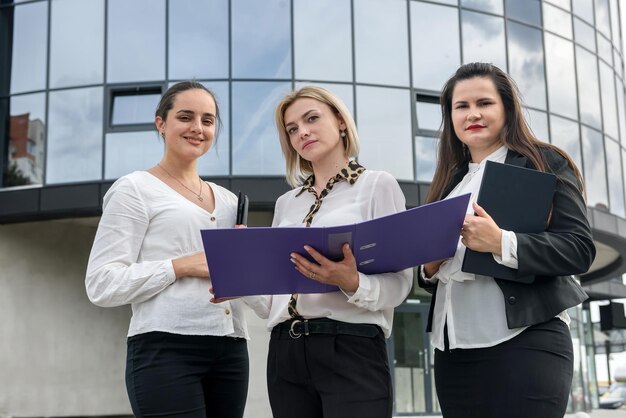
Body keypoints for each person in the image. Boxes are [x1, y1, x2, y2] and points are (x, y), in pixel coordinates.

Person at [417, 62, 596, 418]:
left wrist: (501, 242)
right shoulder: (448, 185)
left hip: (525, 344)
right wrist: (429, 269)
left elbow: (579, 248)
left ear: (507, 108)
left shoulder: (544, 162)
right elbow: (434, 274)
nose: (473, 114)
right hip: (453, 355)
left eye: (484, 103)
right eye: (461, 106)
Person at [242, 86, 413, 418]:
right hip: (285, 352)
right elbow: (272, 303)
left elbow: (400, 285)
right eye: (292, 129)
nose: (302, 132)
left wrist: (352, 282)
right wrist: (240, 276)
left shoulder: (378, 185)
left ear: (341, 121)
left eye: (312, 119)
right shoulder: (286, 204)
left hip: (350, 346)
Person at [85, 81, 250, 418]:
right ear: (160, 123)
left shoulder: (231, 201)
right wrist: (180, 265)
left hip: (232, 349)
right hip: (165, 348)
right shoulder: (135, 189)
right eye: (185, 117)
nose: (197, 128)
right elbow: (101, 283)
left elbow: (245, 282)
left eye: (207, 120)